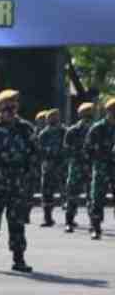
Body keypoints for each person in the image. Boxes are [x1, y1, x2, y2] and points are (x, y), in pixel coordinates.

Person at [0, 90, 39, 272]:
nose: (11, 110)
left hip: (18, 184)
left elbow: (35, 152)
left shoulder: (25, 128)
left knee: (17, 223)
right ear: (0, 107)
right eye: (8, 106)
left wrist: (27, 173)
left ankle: (19, 260)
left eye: (14, 105)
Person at [62, 101, 96, 233]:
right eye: (86, 113)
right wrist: (79, 154)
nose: (88, 116)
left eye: (90, 113)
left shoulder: (96, 129)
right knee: (72, 194)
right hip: (76, 166)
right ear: (80, 115)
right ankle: (69, 221)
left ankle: (93, 223)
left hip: (91, 166)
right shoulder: (73, 131)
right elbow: (66, 149)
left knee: (92, 196)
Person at [87, 98, 115, 240]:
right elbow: (88, 148)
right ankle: (96, 227)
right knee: (97, 197)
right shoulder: (97, 128)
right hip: (101, 166)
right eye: (113, 110)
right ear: (108, 111)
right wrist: (99, 156)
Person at [35, 108, 67, 227]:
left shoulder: (64, 131)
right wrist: (48, 152)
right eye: (51, 117)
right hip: (48, 167)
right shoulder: (44, 134)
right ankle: (47, 218)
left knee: (67, 191)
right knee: (47, 192)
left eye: (56, 116)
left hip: (62, 166)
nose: (54, 119)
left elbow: (69, 146)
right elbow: (38, 150)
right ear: (48, 119)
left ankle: (70, 219)